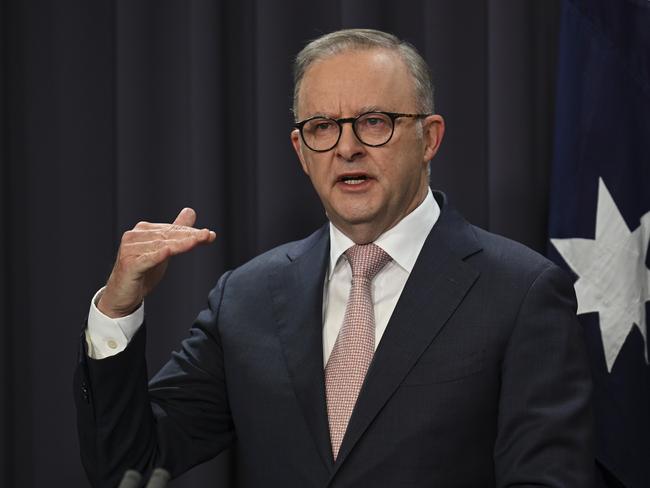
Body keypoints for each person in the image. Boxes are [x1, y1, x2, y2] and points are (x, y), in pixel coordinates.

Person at [74, 29, 594, 487]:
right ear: (301, 152)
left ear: (429, 138)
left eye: (374, 121)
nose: (346, 148)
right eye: (323, 127)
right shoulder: (248, 297)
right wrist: (117, 310)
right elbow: (128, 463)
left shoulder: (520, 291)